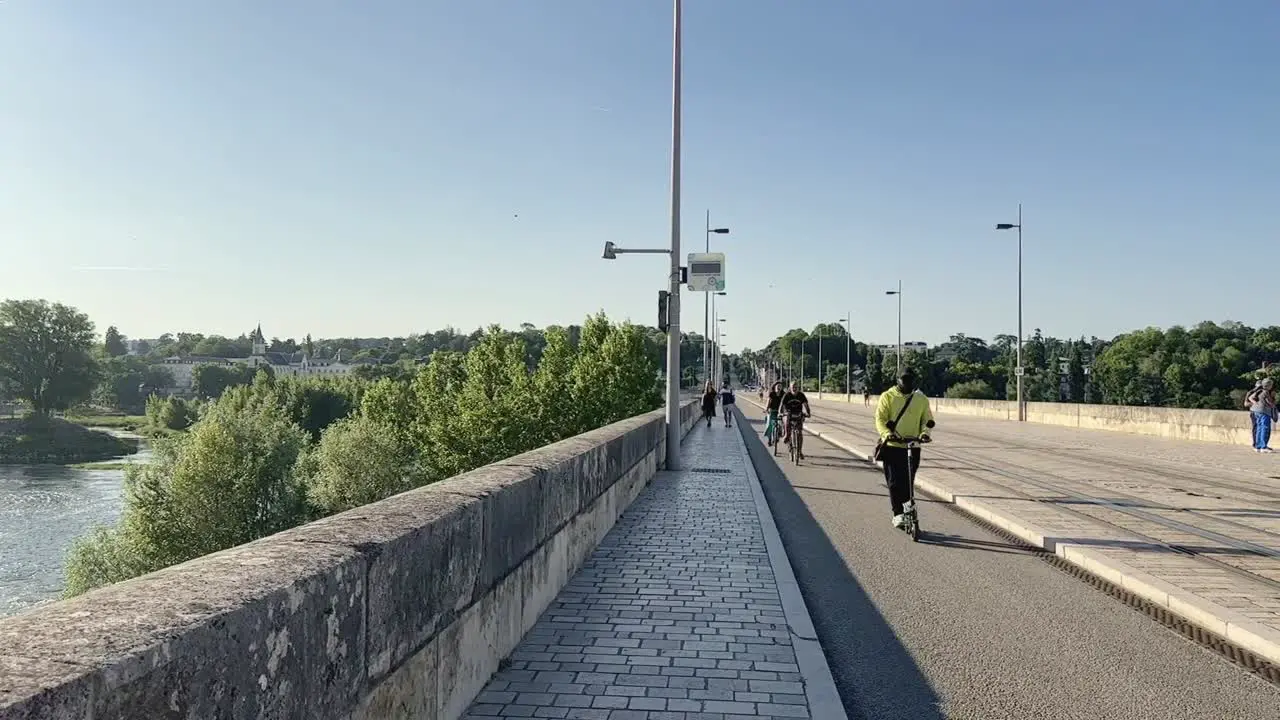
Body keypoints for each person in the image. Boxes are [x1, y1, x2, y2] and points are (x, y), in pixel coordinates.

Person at [875, 367, 936, 528]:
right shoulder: (887, 397)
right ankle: (898, 514)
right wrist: (887, 434)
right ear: (897, 380)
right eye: (904, 380)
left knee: (908, 481)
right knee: (894, 482)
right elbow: (880, 419)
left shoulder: (921, 399)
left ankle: (908, 509)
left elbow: (927, 419)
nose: (907, 383)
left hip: (912, 445)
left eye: (910, 380)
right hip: (893, 446)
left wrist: (925, 433)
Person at [1245, 378, 1277, 453]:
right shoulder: (1266, 392)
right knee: (1265, 428)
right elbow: (1270, 403)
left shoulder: (1259, 390)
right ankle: (1263, 446)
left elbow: (1250, 398)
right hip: (1264, 412)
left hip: (1256, 411)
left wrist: (1256, 403)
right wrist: (1273, 401)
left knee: (1259, 428)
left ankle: (1258, 446)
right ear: (1269, 385)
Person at [779, 381, 811, 455]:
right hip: (788, 413)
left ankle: (799, 451)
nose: (794, 388)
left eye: (796, 387)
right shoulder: (787, 395)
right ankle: (787, 435)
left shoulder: (801, 395)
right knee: (786, 419)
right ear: (790, 388)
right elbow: (781, 405)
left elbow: (806, 405)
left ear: (798, 388)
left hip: (798, 413)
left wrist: (808, 413)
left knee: (799, 433)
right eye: (793, 387)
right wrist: (780, 413)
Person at [763, 381, 785, 445]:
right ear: (775, 387)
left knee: (782, 424)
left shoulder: (783, 394)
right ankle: (769, 439)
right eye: (778, 386)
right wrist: (766, 409)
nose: (779, 388)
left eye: (780, 386)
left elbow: (785, 403)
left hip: (780, 411)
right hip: (772, 410)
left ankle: (779, 434)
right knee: (770, 425)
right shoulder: (772, 394)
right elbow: (768, 402)